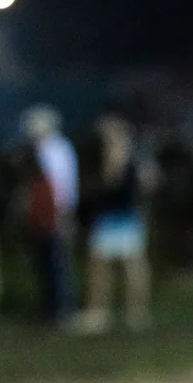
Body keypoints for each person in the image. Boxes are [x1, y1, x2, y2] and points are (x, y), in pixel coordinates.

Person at [74, 110, 158, 334]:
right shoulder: (135, 154)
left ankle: (112, 312)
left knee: (117, 266)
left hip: (117, 215)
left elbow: (114, 182)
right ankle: (128, 313)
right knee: (114, 266)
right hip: (120, 214)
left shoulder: (123, 153)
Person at [20, 105, 79, 325]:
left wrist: (65, 214)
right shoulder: (38, 151)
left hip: (56, 214)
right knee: (45, 262)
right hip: (42, 215)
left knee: (58, 262)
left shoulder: (57, 150)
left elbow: (65, 186)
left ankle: (62, 310)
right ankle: (50, 308)